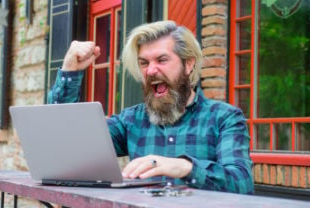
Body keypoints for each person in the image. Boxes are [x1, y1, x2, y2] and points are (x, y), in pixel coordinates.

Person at [48, 20, 254, 194]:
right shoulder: (130, 121)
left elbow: (242, 183)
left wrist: (185, 167)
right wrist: (70, 71)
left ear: (188, 64)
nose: (151, 70)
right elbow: (68, 143)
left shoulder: (225, 118)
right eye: (144, 63)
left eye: (162, 60)